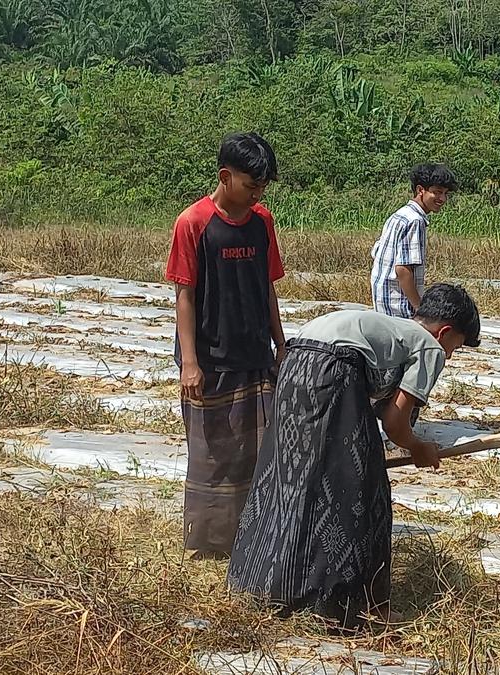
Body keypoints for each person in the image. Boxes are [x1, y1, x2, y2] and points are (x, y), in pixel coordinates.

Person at [228, 283, 481, 630]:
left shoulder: (395, 329)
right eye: (457, 347)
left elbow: (381, 406)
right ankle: (358, 606)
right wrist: (420, 447)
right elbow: (395, 422)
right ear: (446, 332)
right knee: (362, 489)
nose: (450, 355)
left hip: (295, 361)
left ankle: (262, 584)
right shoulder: (430, 348)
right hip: (332, 369)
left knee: (290, 475)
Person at [164, 132, 286, 559]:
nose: (257, 195)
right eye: (251, 186)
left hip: (254, 353)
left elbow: (267, 288)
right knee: (214, 453)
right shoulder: (193, 222)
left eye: (262, 188)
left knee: (259, 448)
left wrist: (280, 344)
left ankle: (253, 536)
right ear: (225, 176)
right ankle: (210, 543)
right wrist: (190, 363)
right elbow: (185, 294)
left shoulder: (262, 222)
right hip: (211, 358)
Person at [370, 164, 458, 318]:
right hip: (398, 305)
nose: (442, 199)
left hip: (383, 302)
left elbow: (376, 252)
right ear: (420, 190)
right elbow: (403, 270)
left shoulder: (400, 215)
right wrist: (419, 309)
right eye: (437, 192)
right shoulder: (415, 221)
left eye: (445, 193)